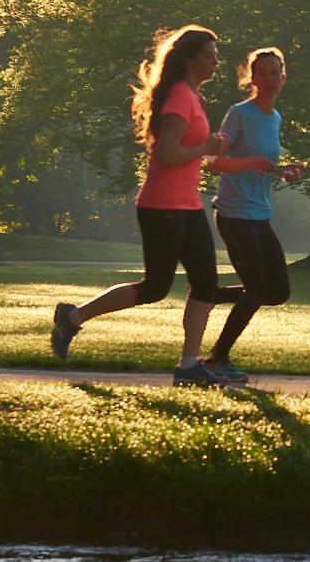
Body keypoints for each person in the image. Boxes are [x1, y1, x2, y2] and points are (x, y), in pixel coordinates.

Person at [50, 25, 239, 385]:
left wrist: (212, 149)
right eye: (209, 55)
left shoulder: (190, 96)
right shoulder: (180, 98)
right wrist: (205, 148)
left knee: (205, 283)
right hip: (163, 205)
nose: (216, 62)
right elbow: (168, 153)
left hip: (186, 204)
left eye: (217, 55)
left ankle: (189, 366)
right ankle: (73, 317)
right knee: (156, 287)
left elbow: (186, 152)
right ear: (188, 59)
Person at [199, 46, 304, 383]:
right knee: (257, 290)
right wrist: (248, 163)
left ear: (284, 78)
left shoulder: (275, 118)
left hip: (259, 214)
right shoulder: (239, 114)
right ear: (252, 79)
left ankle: (211, 294)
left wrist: (283, 171)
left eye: (276, 72)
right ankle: (217, 359)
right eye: (263, 73)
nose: (270, 79)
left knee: (278, 292)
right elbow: (214, 162)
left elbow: (261, 164)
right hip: (233, 213)